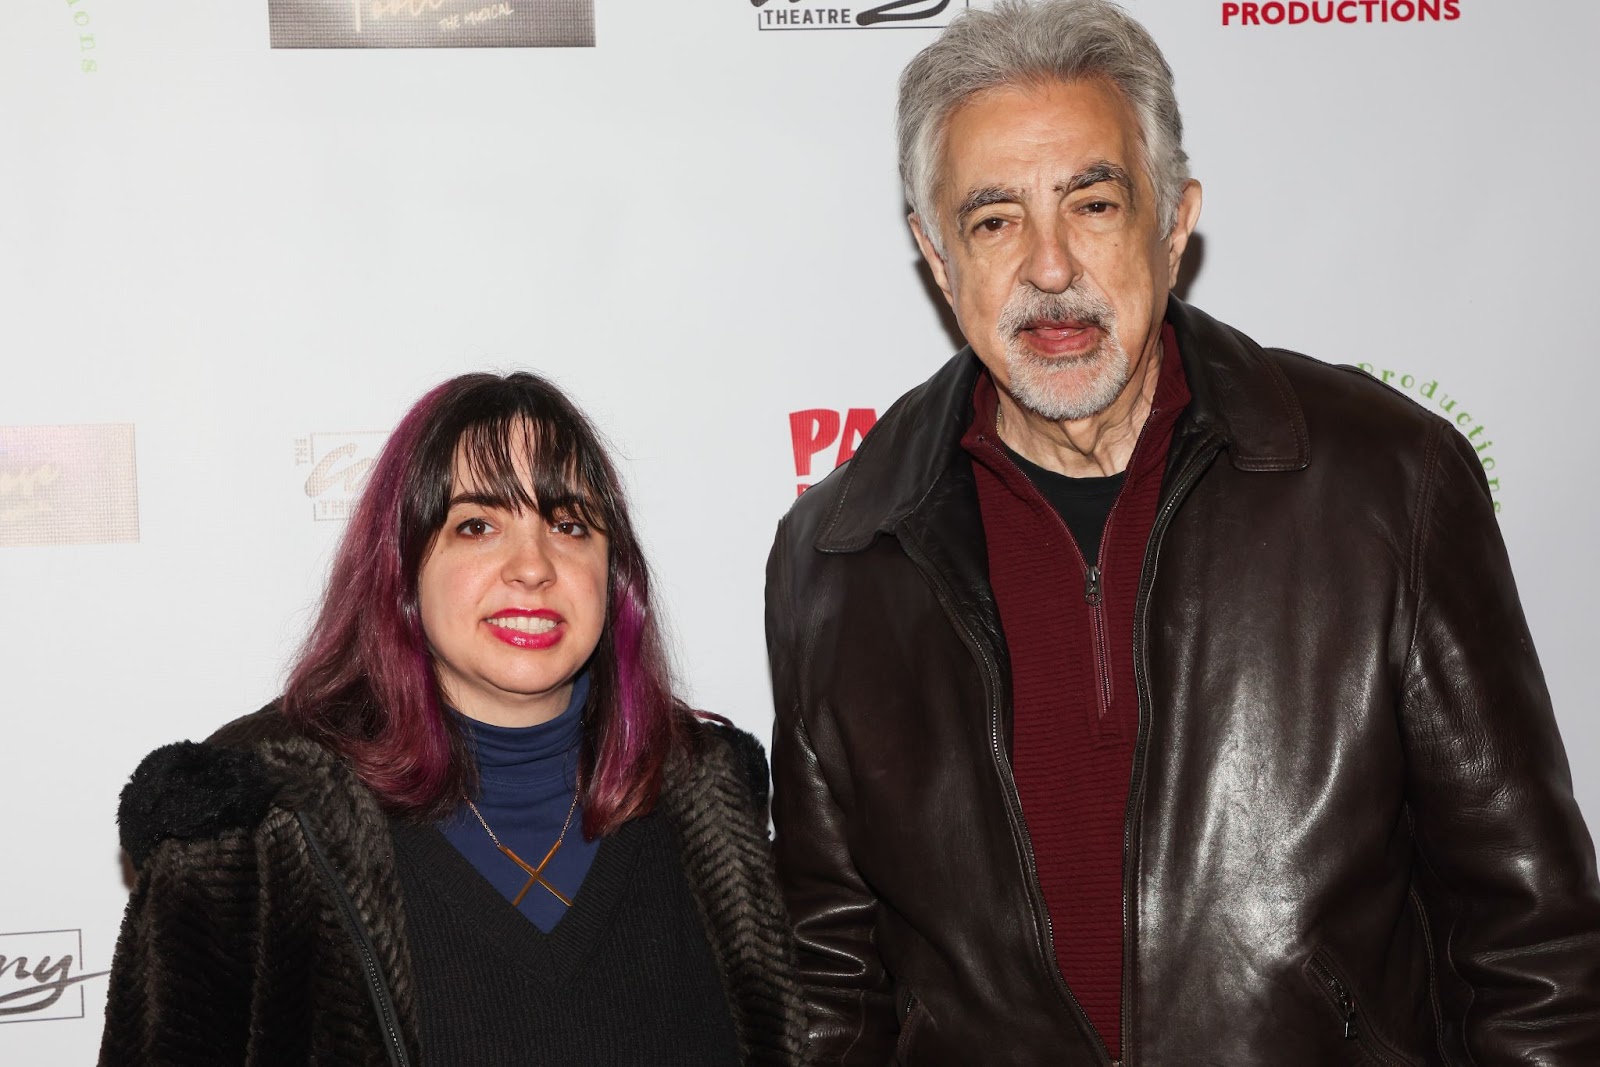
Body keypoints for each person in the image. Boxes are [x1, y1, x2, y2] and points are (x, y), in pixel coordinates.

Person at [763, 2, 1600, 1064]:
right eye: (993, 219)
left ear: (1173, 222)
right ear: (936, 257)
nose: (1050, 265)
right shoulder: (835, 555)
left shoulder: (1388, 482)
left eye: (1094, 201)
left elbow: (1534, 946)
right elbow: (830, 987)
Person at [101, 371, 807, 1066]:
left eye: (568, 524)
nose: (532, 566)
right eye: (477, 524)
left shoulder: (705, 796)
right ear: (401, 568)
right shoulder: (251, 824)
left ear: (614, 575)